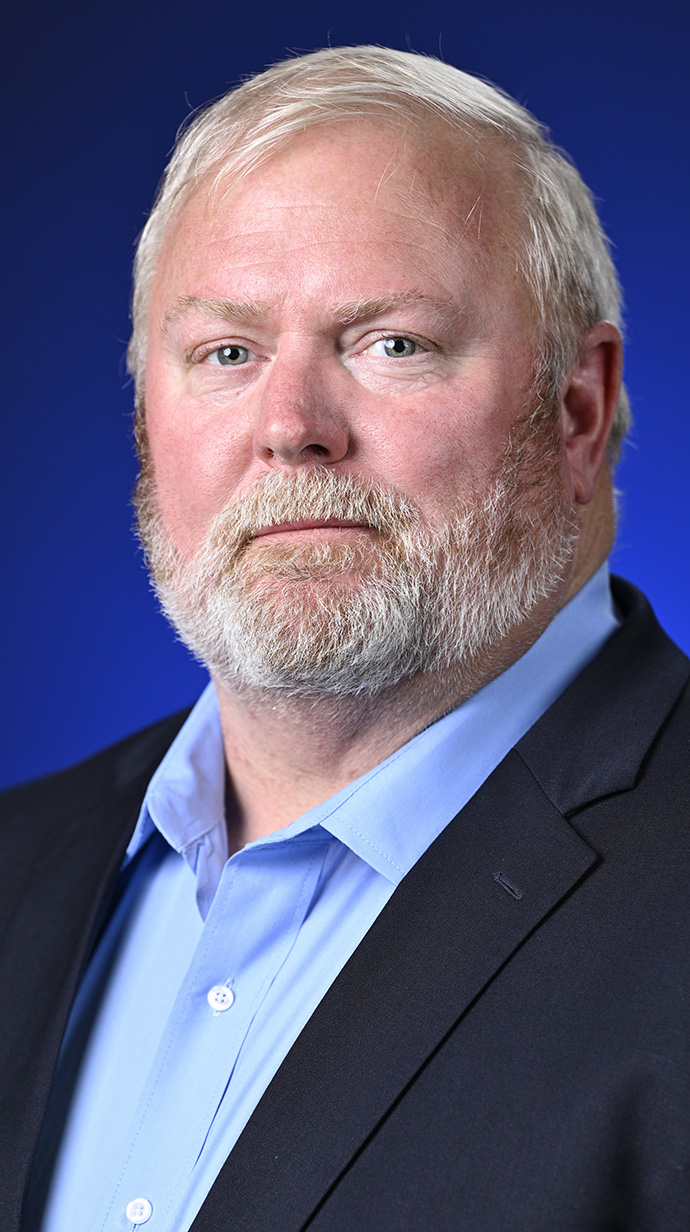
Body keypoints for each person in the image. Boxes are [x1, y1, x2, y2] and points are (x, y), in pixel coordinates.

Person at [2, 45, 689, 1232]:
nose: (290, 427)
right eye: (226, 351)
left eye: (391, 343)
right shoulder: (21, 860)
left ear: (578, 410)